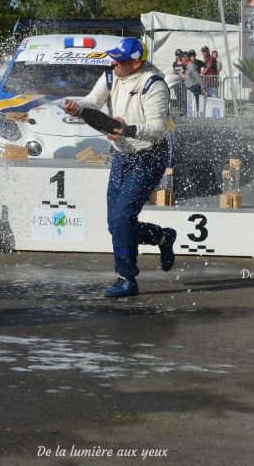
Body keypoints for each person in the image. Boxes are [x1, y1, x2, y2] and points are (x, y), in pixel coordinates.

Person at [62, 37, 177, 298]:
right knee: (115, 224)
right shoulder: (111, 76)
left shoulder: (154, 84)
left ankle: (127, 278)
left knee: (123, 217)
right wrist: (77, 107)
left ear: (136, 63)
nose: (113, 63)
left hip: (150, 155)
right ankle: (162, 237)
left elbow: (158, 130)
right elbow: (93, 101)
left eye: (119, 60)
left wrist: (128, 129)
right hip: (122, 155)